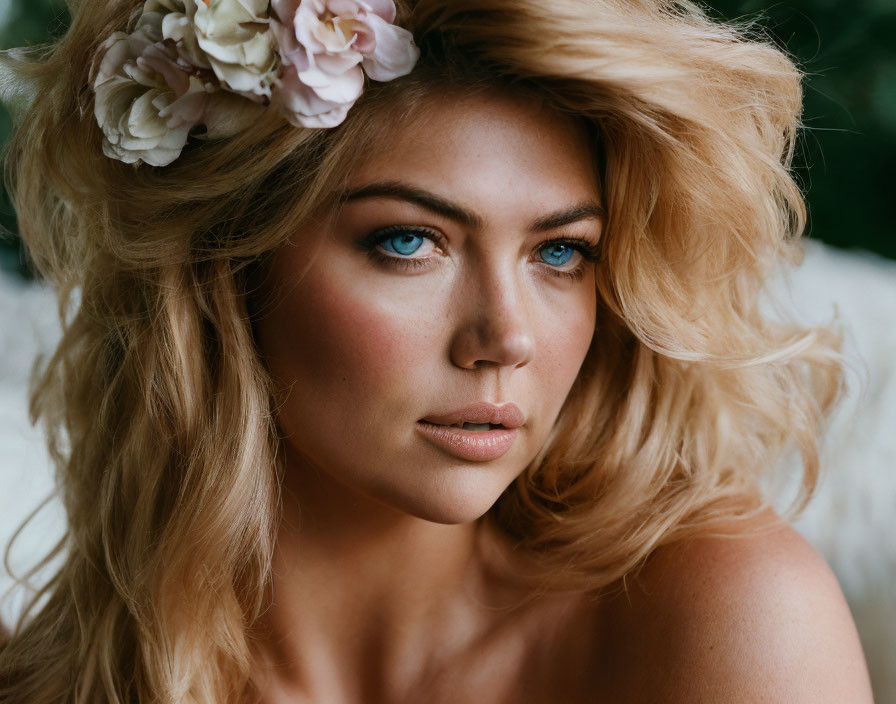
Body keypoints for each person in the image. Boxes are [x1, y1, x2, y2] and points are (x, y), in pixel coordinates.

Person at [0, 0, 874, 701]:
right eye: (411, 242)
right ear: (226, 265)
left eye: (559, 252)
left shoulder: (725, 617)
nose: (509, 337)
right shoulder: (74, 680)